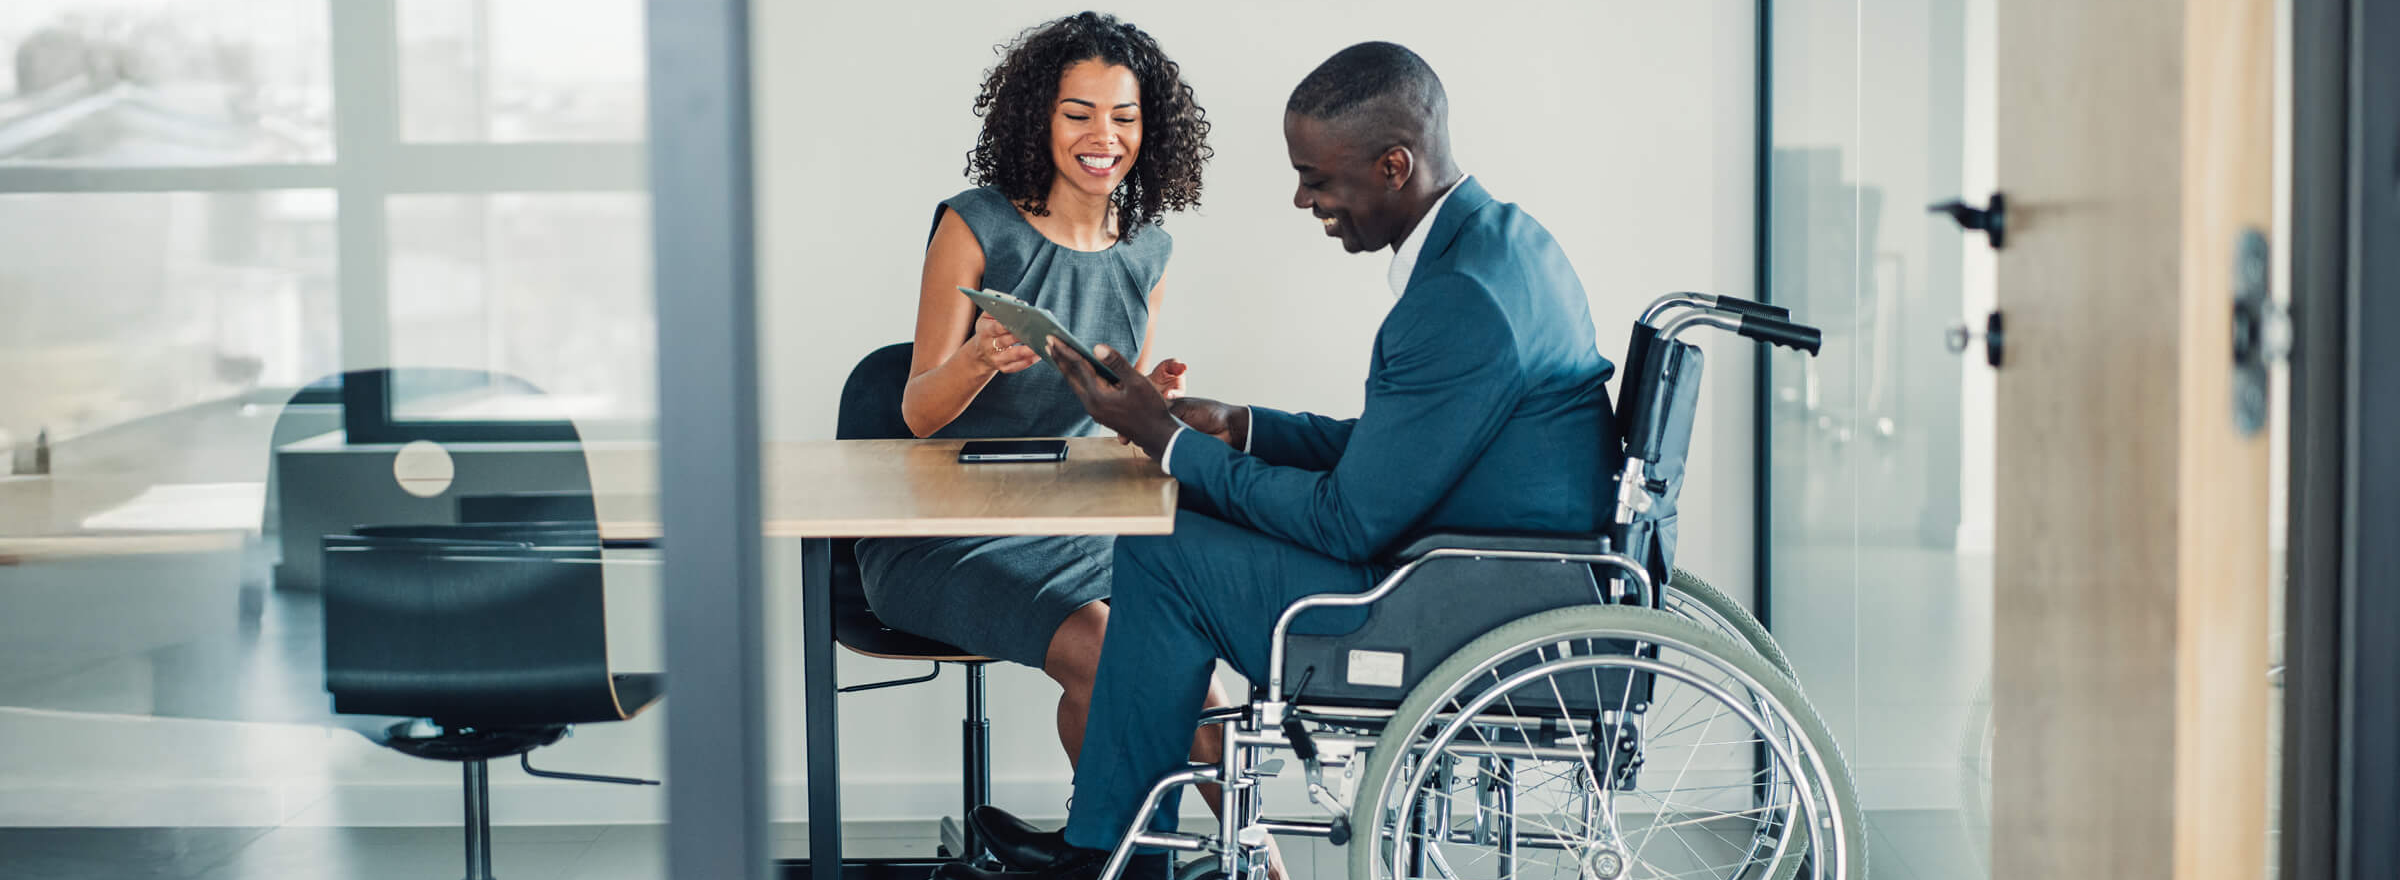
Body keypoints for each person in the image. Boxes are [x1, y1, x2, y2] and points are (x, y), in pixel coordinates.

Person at [939, 41, 1618, 880]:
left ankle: (1105, 850)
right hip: (1476, 564)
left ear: (1394, 164)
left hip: (1449, 606)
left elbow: (1348, 517)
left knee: (1164, 550)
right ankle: (1111, 845)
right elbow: (1407, 446)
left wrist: (1169, 442)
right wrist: (1244, 425)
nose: (1304, 199)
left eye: (1318, 178)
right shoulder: (1503, 242)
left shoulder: (1459, 299)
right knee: (1174, 529)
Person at [853, 13, 1283, 880]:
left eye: (1122, 117)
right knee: (1101, 649)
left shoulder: (1148, 252)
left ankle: (1264, 866)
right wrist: (976, 359)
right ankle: (1114, 861)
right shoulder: (976, 227)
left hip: (1075, 518)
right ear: (1037, 120)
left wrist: (1144, 405)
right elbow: (918, 412)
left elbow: (1107, 433)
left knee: (1189, 671)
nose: (1103, 138)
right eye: (1078, 113)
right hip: (943, 534)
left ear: (1147, 129)